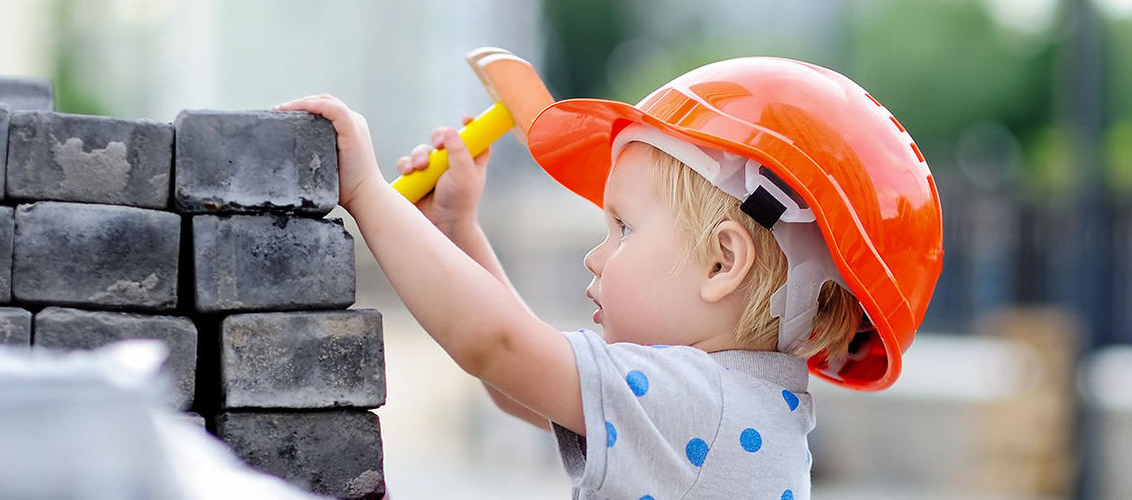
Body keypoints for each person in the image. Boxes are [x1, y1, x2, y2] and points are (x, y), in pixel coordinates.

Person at [276, 56, 942, 499]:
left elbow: (500, 347)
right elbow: (519, 385)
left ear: (723, 263)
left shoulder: (702, 405)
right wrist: (459, 234)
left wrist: (367, 192)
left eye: (623, 227)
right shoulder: (736, 403)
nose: (596, 256)